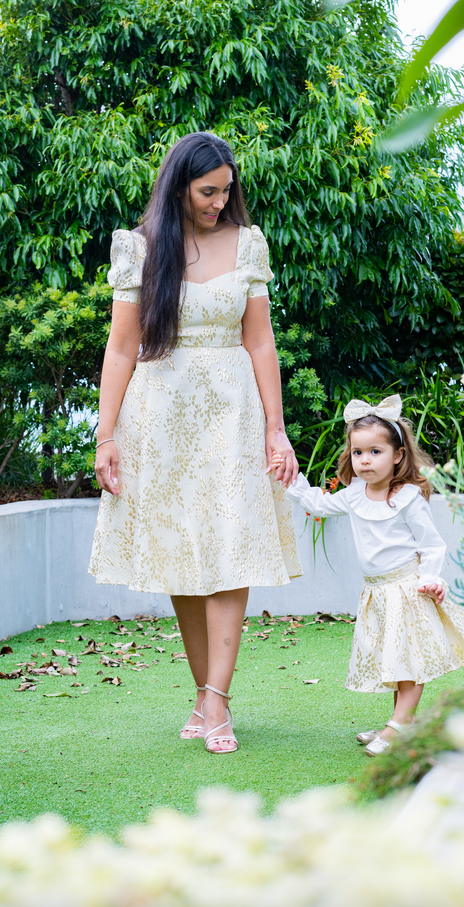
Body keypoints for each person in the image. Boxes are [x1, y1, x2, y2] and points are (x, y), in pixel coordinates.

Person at [89, 132, 302, 755]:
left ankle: (218, 700)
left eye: (227, 191)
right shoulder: (138, 249)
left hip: (231, 417)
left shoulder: (248, 243)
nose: (219, 201)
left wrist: (274, 426)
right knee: (183, 555)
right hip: (158, 417)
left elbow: (261, 343)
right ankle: (205, 694)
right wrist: (106, 436)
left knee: (231, 548)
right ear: (179, 185)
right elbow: (122, 347)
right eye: (209, 191)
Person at [283, 394, 464, 756]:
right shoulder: (355, 495)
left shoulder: (406, 497)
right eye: (358, 452)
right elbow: (318, 503)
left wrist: (432, 578)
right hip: (377, 593)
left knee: (410, 662)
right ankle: (401, 722)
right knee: (396, 658)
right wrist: (291, 479)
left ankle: (399, 725)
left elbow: (433, 545)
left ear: (398, 455)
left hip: (408, 591)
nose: (365, 460)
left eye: (375, 451)